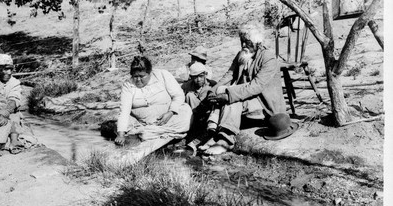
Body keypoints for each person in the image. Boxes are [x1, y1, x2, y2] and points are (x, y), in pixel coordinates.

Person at [200, 23, 286, 155]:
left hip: (263, 101)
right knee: (222, 89)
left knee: (232, 100)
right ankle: (214, 132)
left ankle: (226, 141)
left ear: (257, 42)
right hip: (246, 97)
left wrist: (229, 95)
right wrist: (213, 89)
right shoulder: (242, 54)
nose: (243, 45)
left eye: (247, 42)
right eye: (242, 42)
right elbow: (229, 75)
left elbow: (256, 86)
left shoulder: (268, 58)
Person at [115, 56, 192, 146]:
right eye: (135, 76)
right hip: (142, 121)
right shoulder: (128, 85)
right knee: (123, 124)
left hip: (169, 118)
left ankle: (146, 133)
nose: (138, 80)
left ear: (150, 73)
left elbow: (178, 95)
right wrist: (120, 135)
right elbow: (124, 110)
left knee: (186, 113)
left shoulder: (162, 75)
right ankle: (153, 133)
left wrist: (170, 112)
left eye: (142, 76)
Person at [181, 62, 216, 154]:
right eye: (195, 77)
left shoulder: (212, 85)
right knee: (189, 96)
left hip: (208, 115)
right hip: (194, 117)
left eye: (201, 76)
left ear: (205, 74)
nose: (198, 79)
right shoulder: (186, 86)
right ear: (191, 77)